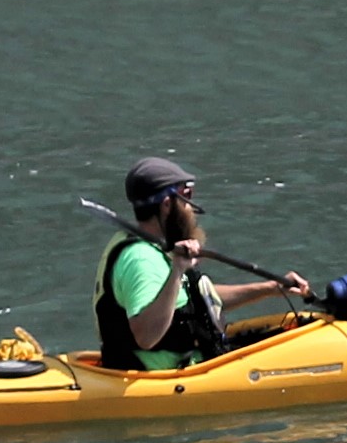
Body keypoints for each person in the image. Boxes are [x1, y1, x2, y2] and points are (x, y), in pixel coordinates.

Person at [97, 156, 309, 371]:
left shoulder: (155, 247)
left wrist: (270, 288)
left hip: (197, 362)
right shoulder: (141, 259)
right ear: (167, 204)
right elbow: (146, 336)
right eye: (186, 195)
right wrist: (177, 270)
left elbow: (192, 301)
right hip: (168, 377)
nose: (190, 208)